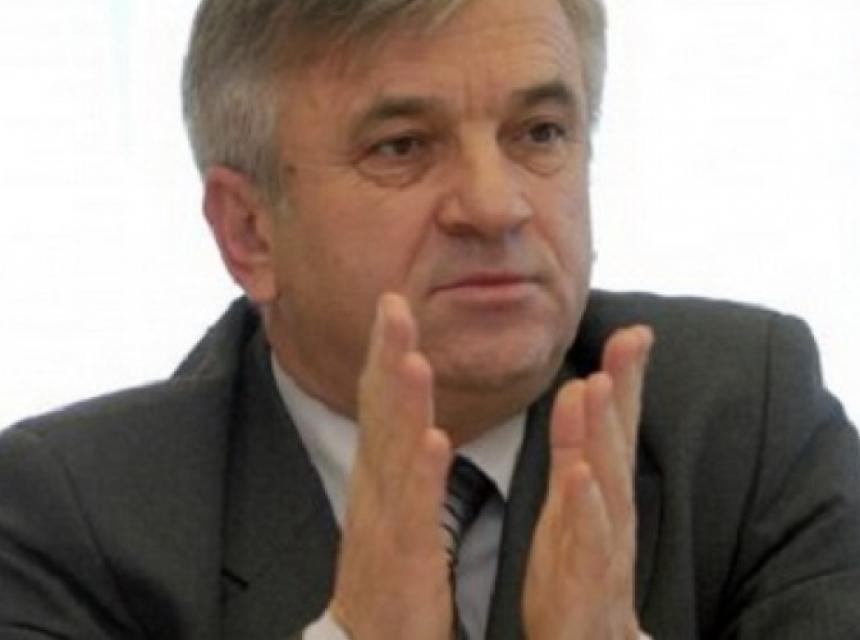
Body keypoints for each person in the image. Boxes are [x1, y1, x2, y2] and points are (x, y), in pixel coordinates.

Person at [1, 0, 858, 638]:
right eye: (402, 146)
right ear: (250, 230)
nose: (495, 204)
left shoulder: (747, 428)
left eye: (540, 132)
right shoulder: (70, 521)